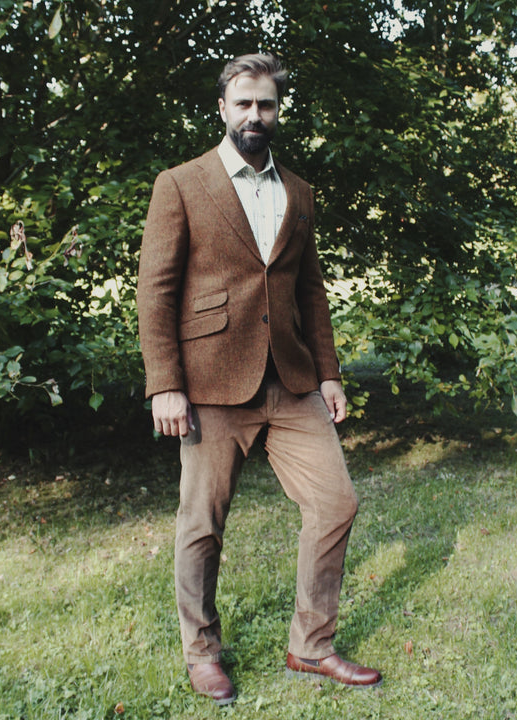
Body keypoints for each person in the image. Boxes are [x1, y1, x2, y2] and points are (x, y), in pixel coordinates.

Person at [137, 52, 382, 706]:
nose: (255, 114)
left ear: (279, 111)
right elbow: (155, 292)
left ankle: (311, 644)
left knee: (336, 504)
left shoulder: (298, 191)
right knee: (202, 523)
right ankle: (202, 651)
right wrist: (165, 384)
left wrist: (328, 374)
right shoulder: (182, 183)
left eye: (266, 104)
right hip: (210, 384)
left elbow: (310, 291)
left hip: (292, 382)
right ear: (222, 107)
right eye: (243, 103)